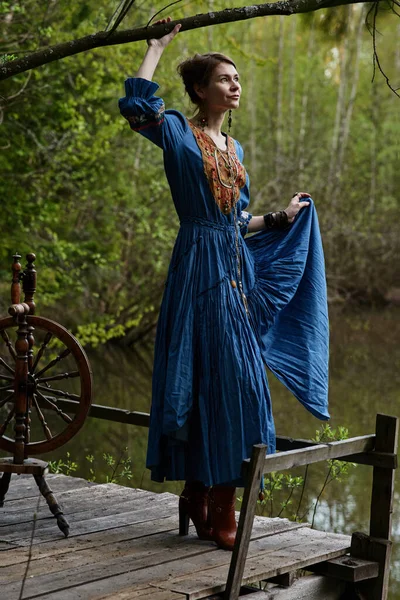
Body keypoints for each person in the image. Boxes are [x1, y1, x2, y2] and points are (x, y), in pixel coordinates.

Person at [119, 18, 329, 551]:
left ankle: (218, 499)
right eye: (225, 78)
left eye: (238, 78)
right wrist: (155, 48)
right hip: (196, 268)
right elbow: (136, 107)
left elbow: (237, 221)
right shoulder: (175, 132)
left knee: (240, 383)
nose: (236, 85)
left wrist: (281, 218)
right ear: (199, 90)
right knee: (201, 377)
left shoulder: (235, 150)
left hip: (235, 270)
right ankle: (201, 494)